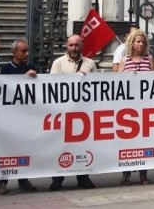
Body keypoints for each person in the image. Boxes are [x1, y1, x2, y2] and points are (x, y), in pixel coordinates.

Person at [49, 34, 97, 191]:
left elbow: (98, 85)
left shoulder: (90, 63)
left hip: (84, 114)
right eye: (71, 45)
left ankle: (83, 177)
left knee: (83, 145)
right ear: (66, 46)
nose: (74, 48)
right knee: (60, 146)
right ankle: (57, 179)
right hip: (63, 113)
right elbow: (52, 86)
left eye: (76, 45)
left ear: (81, 46)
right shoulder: (58, 63)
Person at [0, 39, 38, 195]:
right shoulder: (6, 69)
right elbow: (3, 88)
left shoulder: (31, 67)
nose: (26, 54)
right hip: (10, 117)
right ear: (14, 52)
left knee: (25, 148)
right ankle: (2, 182)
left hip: (27, 117)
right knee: (6, 150)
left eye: (27, 51)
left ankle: (23, 179)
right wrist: (23, 79)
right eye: (23, 51)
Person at [118, 29, 154, 185]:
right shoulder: (124, 60)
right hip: (128, 108)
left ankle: (143, 174)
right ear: (131, 43)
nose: (140, 44)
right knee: (127, 141)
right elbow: (117, 83)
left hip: (145, 107)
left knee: (144, 141)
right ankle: (125, 174)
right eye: (137, 41)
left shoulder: (149, 59)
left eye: (142, 42)